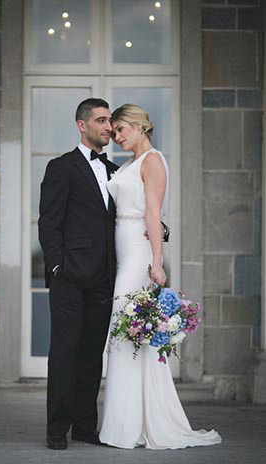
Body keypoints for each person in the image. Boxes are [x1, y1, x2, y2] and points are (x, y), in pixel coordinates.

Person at [99, 104, 222, 449]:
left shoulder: (152, 160)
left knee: (125, 334)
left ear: (139, 126)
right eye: (114, 130)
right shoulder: (131, 162)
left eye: (121, 129)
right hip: (123, 252)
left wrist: (157, 261)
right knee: (127, 335)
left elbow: (153, 213)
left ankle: (130, 425)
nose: (116, 136)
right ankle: (126, 421)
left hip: (138, 256)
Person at [38, 98, 118, 450]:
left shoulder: (115, 171)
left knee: (91, 355)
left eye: (111, 120)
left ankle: (86, 427)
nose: (109, 127)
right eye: (101, 120)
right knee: (65, 354)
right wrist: (57, 268)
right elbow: (49, 223)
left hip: (103, 279)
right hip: (69, 277)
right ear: (81, 125)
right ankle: (57, 429)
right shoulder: (61, 167)